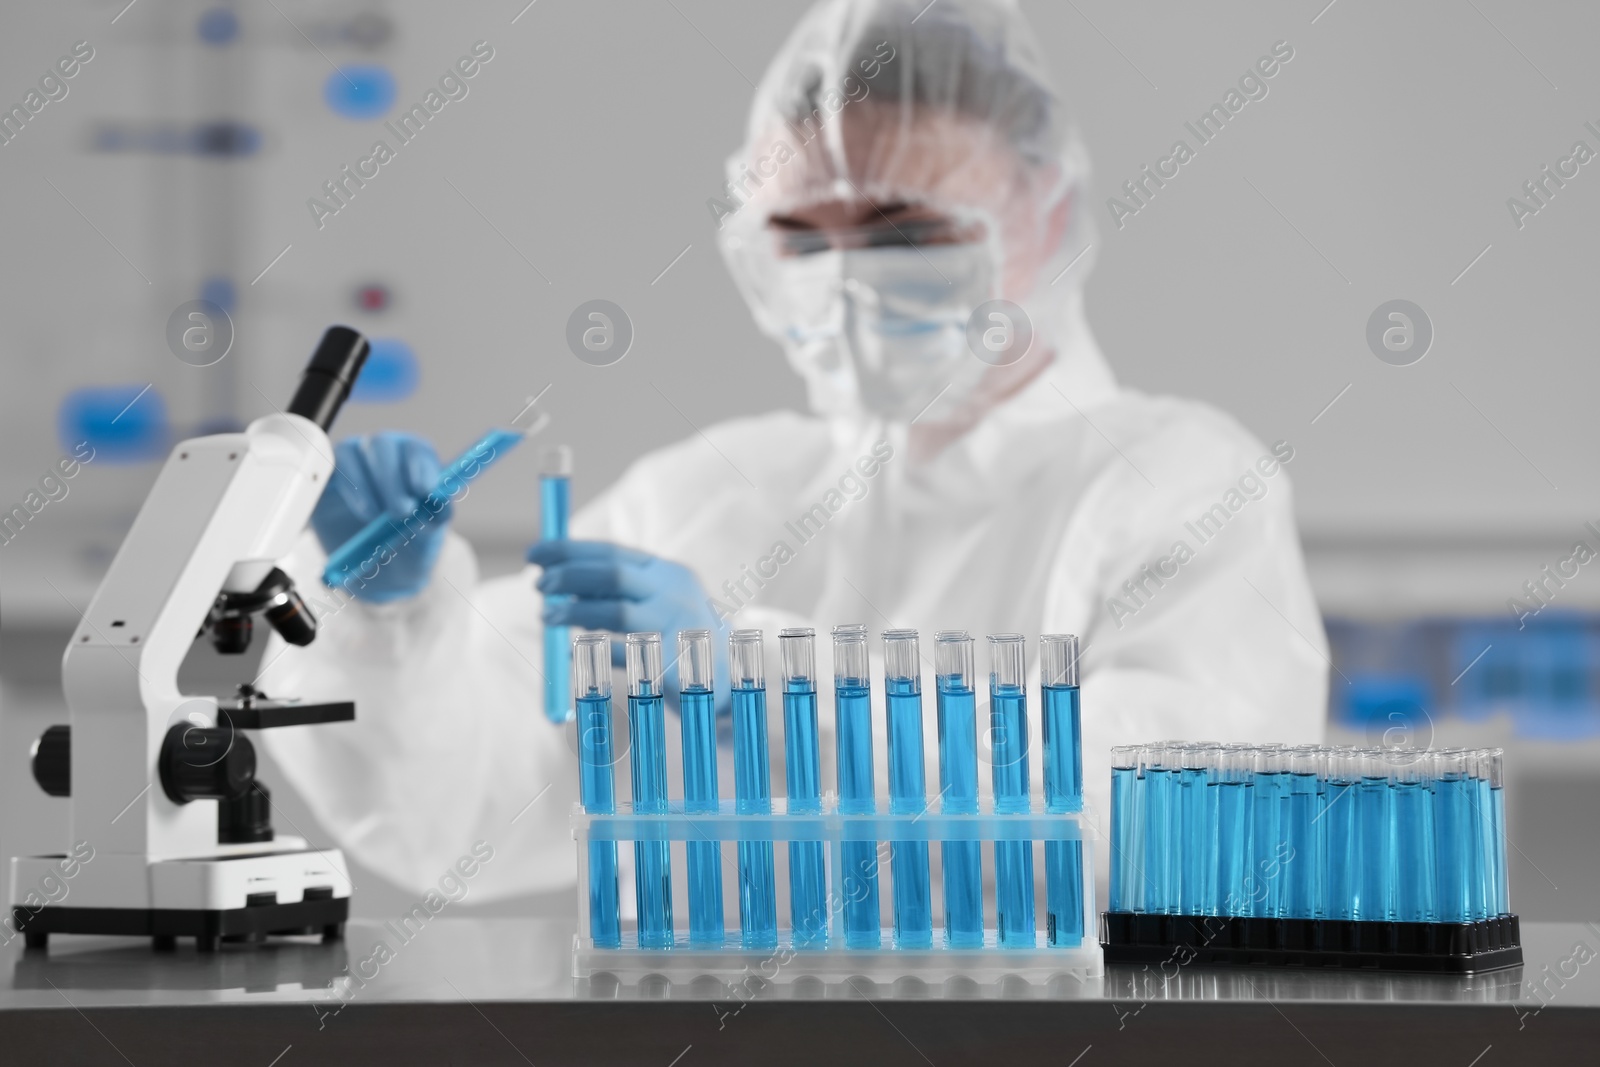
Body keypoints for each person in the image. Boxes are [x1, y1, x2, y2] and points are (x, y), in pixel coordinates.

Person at [259, 0, 1327, 906]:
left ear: (1040, 217)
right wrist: (386, 615)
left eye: (906, 229)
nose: (848, 277)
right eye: (803, 236)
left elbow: (1154, 831)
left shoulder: (1178, 485)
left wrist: (754, 679)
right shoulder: (710, 494)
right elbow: (470, 811)